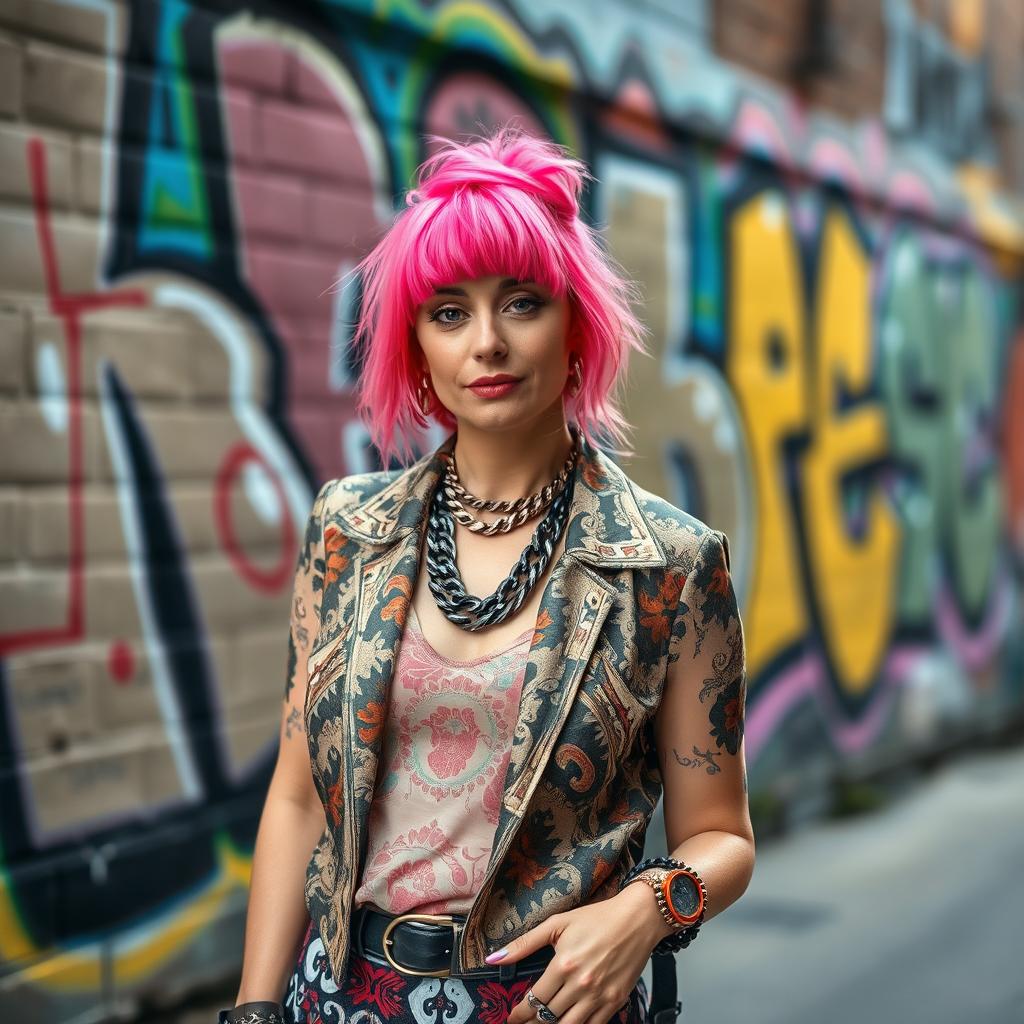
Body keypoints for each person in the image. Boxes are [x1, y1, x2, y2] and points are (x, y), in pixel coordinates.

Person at [218, 124, 754, 1024]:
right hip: (342, 997)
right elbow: (298, 793)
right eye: (450, 311)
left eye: (522, 302)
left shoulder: (670, 564)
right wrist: (254, 1009)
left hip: (548, 1004)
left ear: (577, 321)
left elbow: (723, 837)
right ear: (416, 345)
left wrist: (643, 912)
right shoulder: (347, 531)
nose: (488, 343)